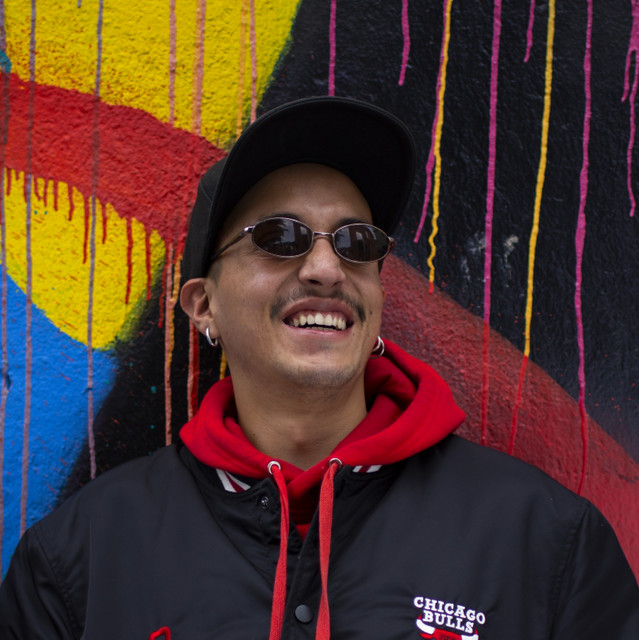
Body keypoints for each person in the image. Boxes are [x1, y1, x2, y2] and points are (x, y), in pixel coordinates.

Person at [0, 96, 637, 639]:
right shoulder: (79, 559)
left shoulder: (547, 540)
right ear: (204, 307)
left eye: (357, 243)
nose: (328, 269)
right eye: (280, 237)